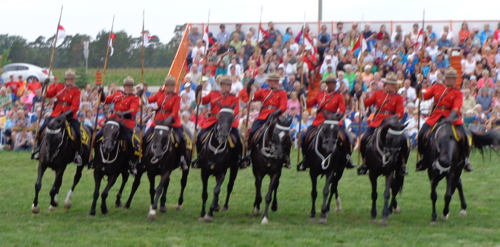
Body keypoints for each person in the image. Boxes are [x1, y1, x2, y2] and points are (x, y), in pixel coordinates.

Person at [416, 67, 473, 172]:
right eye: (449, 78)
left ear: (455, 80)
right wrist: (419, 90)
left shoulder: (457, 92)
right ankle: (424, 159)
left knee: (464, 136)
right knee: (421, 135)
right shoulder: (437, 87)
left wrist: (451, 117)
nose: (450, 80)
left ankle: (465, 159)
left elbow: (457, 107)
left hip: (451, 117)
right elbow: (425, 96)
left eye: (453, 79)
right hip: (435, 116)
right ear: (445, 78)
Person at [297, 75, 356, 171]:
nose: (334, 85)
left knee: (346, 137)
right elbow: (308, 104)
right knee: (306, 136)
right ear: (327, 84)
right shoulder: (320, 94)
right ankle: (306, 159)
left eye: (335, 83)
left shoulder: (339, 95)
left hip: (333, 120)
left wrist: (338, 117)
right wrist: (302, 96)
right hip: (320, 120)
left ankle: (347, 158)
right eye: (332, 83)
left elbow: (342, 109)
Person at [357, 72, 406, 175]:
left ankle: (402, 164)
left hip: (391, 123)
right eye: (391, 84)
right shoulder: (377, 93)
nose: (393, 86)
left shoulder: (398, 97)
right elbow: (366, 104)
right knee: (364, 139)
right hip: (377, 122)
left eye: (394, 84)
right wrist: (360, 97)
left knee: (404, 140)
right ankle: (365, 162)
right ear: (386, 84)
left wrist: (392, 119)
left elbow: (400, 113)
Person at [91, 76, 140, 174]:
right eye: (127, 86)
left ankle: (131, 163)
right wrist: (102, 93)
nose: (129, 88)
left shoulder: (134, 98)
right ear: (124, 86)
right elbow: (105, 101)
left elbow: (133, 110)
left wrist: (123, 113)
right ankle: (94, 159)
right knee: (96, 137)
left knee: (131, 142)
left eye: (131, 86)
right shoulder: (118, 94)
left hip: (125, 124)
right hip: (113, 121)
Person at [193, 75, 243, 168]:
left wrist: (226, 114)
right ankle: (200, 158)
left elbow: (236, 110)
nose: (229, 87)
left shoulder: (233, 98)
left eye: (230, 85)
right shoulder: (213, 94)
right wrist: (198, 92)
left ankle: (239, 158)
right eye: (227, 85)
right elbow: (201, 101)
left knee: (238, 138)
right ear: (221, 85)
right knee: (200, 136)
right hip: (213, 121)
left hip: (227, 123)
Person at [33, 69, 82, 164]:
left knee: (77, 133)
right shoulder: (59, 86)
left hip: (69, 115)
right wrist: (44, 85)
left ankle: (76, 154)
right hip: (56, 113)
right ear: (66, 79)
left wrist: (65, 114)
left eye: (73, 79)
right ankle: (39, 150)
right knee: (41, 130)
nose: (72, 80)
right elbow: (47, 94)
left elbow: (75, 106)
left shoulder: (76, 91)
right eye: (70, 79)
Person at [246, 72, 290, 168]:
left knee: (286, 135)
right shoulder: (263, 91)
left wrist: (277, 112)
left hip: (276, 117)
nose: (275, 82)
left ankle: (286, 157)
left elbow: (284, 106)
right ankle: (249, 153)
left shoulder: (282, 93)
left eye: (277, 81)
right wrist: (250, 87)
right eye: (273, 81)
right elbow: (252, 98)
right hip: (263, 116)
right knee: (253, 132)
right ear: (269, 82)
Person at [145, 76, 188, 170]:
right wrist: (142, 95)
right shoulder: (160, 94)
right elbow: (149, 100)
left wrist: (170, 118)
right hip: (158, 120)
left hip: (172, 121)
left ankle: (182, 158)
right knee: (145, 136)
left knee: (180, 138)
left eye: (173, 86)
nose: (171, 88)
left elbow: (175, 110)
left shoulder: (177, 97)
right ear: (166, 86)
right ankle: (142, 159)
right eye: (169, 86)